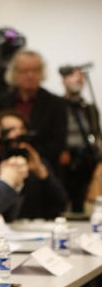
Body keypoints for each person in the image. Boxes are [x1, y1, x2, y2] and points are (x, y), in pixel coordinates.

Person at [0, 50, 67, 177]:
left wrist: (28, 155)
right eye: (24, 71)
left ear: (42, 73)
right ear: (15, 73)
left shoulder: (56, 104)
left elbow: (58, 142)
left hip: (44, 172)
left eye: (35, 70)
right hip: (5, 169)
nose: (30, 75)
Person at [0, 109, 67, 219]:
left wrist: (42, 173)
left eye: (21, 128)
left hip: (35, 225)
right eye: (11, 129)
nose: (18, 133)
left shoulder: (36, 161)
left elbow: (61, 202)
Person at [59, 66, 102, 212]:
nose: (78, 79)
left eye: (81, 76)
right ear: (64, 81)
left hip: (86, 158)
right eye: (73, 75)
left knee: (85, 194)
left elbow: (96, 132)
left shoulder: (89, 108)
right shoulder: (58, 105)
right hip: (66, 159)